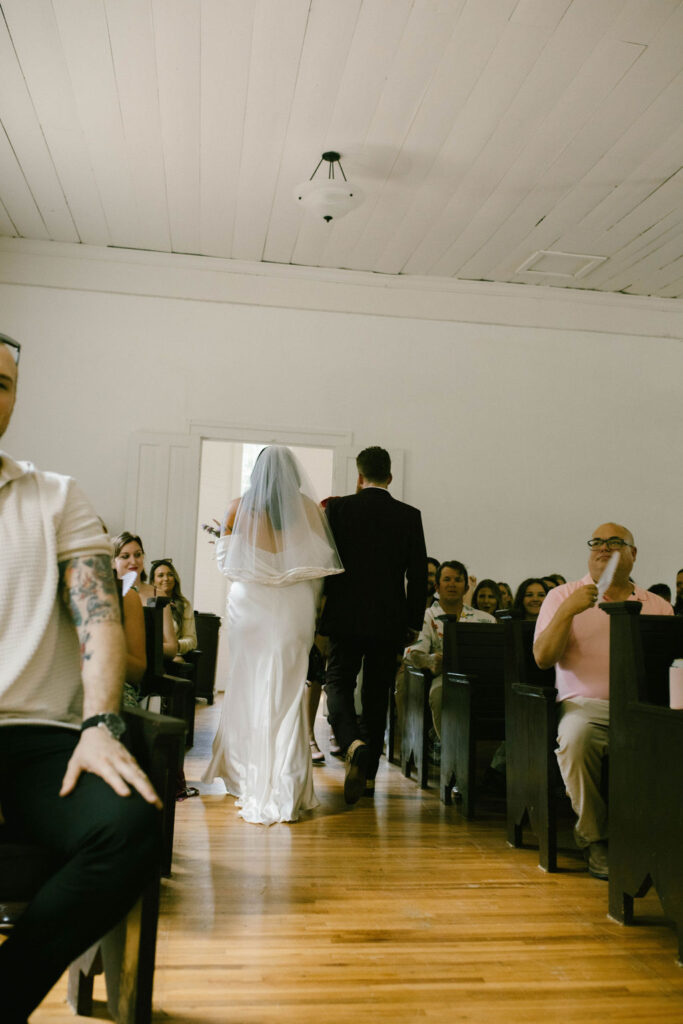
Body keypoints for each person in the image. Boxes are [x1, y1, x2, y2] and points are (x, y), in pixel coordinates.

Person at [0, 334, 161, 1024]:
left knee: (128, 824)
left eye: (2, 383)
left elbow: (99, 619)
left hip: (36, 735)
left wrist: (100, 725)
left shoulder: (55, 497)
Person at [202, 446, 343, 825]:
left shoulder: (238, 507)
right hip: (294, 607)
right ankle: (288, 784)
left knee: (249, 684)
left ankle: (248, 773)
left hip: (251, 606)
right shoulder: (311, 511)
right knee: (289, 688)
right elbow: (320, 568)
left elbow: (226, 563)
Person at [533, 523, 673, 881]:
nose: (603, 549)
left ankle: (663, 840)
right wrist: (568, 611)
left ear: (633, 554)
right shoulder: (562, 596)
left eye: (615, 543)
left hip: (643, 710)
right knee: (576, 739)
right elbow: (543, 659)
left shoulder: (656, 605)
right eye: (596, 542)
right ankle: (596, 839)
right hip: (586, 707)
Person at [320, 447, 427, 803]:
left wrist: (322, 609)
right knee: (377, 694)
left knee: (337, 681)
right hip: (389, 620)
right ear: (390, 477)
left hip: (344, 616)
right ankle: (367, 780)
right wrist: (412, 622)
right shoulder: (409, 516)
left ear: (359, 475)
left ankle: (352, 742)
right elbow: (418, 575)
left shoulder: (338, 509)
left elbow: (326, 563)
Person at [406, 561, 496, 740]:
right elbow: (412, 654)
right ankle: (448, 747)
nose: (452, 584)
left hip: (481, 676)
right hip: (445, 676)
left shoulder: (486, 619)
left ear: (466, 587)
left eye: (458, 580)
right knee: (439, 694)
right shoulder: (427, 616)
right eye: (447, 579)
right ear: (437, 587)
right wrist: (430, 660)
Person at [112, 532, 178, 659]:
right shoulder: (107, 594)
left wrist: (140, 647)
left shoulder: (158, 594)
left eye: (138, 555)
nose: (133, 561)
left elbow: (172, 648)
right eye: (125, 556)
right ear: (113, 562)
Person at [149, 558, 197, 657]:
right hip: (149, 654)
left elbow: (192, 640)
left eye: (170, 575)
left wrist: (175, 645)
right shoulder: (146, 602)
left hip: (172, 656)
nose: (166, 579)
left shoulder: (184, 605)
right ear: (153, 581)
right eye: (160, 575)